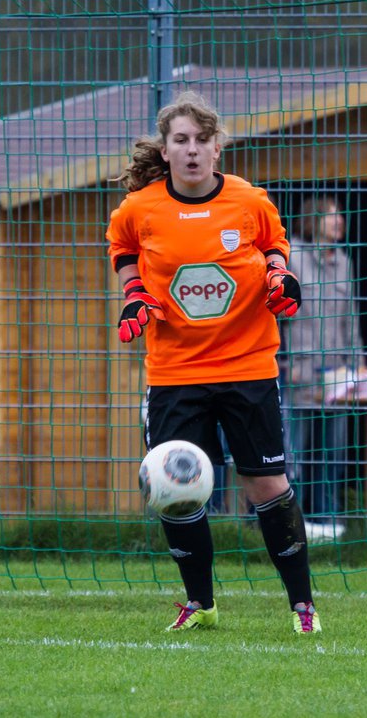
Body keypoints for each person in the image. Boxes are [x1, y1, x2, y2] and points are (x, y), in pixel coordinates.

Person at [106, 91, 321, 634]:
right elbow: (123, 248)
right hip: (175, 374)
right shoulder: (141, 208)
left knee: (267, 488)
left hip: (249, 367)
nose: (194, 150)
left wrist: (279, 277)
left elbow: (276, 246)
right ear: (167, 148)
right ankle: (200, 603)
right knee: (176, 494)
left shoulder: (249, 202)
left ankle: (303, 606)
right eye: (182, 140)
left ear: (218, 147)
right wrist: (134, 294)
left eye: (204, 140)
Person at [284, 197, 364, 541]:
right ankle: (290, 526)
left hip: (337, 375)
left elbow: (351, 317)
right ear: (313, 220)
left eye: (341, 217)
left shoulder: (344, 261)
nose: (340, 223)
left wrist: (357, 365)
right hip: (298, 373)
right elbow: (276, 315)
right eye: (333, 217)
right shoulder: (293, 257)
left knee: (333, 453)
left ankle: (329, 525)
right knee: (292, 454)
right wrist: (283, 362)